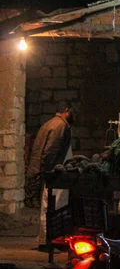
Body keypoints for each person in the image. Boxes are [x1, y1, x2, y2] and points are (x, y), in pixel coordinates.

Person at [26, 101, 74, 252]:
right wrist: (52, 172)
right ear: (67, 110)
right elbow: (50, 151)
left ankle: (46, 240)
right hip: (55, 174)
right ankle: (51, 241)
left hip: (51, 173)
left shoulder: (50, 123)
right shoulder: (60, 125)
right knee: (55, 206)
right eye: (72, 111)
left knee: (48, 205)